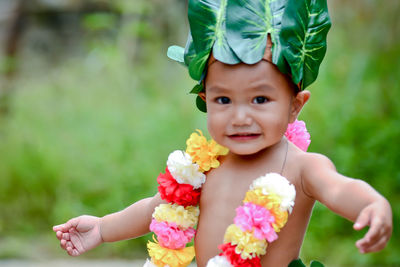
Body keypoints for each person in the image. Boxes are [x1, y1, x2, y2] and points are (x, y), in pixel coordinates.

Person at [53, 1, 393, 266]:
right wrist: (102, 228)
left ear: (294, 106)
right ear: (205, 100)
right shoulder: (205, 167)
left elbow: (339, 188)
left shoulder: (303, 168)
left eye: (261, 99)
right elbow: (154, 209)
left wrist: (372, 204)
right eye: (223, 99)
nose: (240, 116)